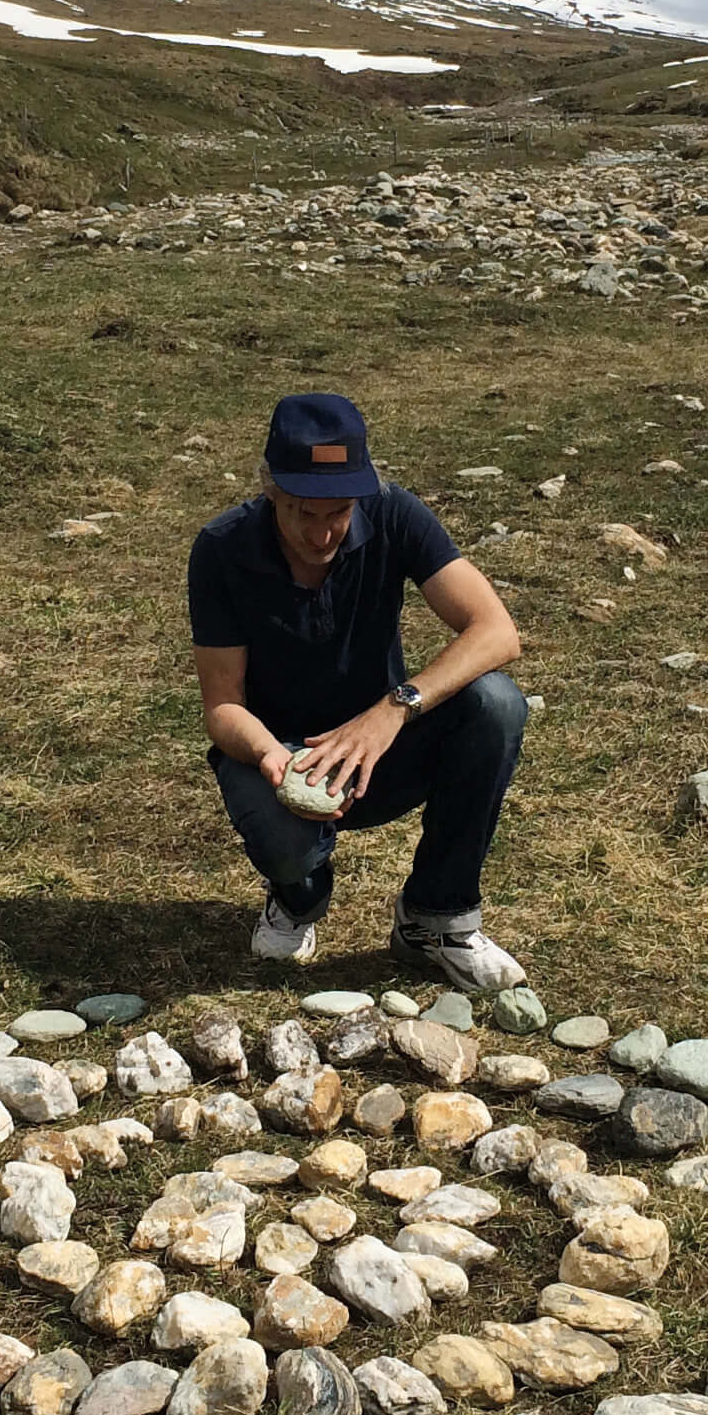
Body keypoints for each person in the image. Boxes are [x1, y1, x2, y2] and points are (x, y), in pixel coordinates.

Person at [187, 392, 529, 990]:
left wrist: (395, 709)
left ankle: (436, 917)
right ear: (270, 491)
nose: (322, 533)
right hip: (279, 756)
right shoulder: (221, 550)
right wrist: (276, 760)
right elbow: (223, 706)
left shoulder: (394, 513)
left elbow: (496, 631)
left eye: (338, 512)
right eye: (302, 512)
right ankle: (297, 896)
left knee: (495, 704)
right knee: (288, 845)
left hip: (383, 746)